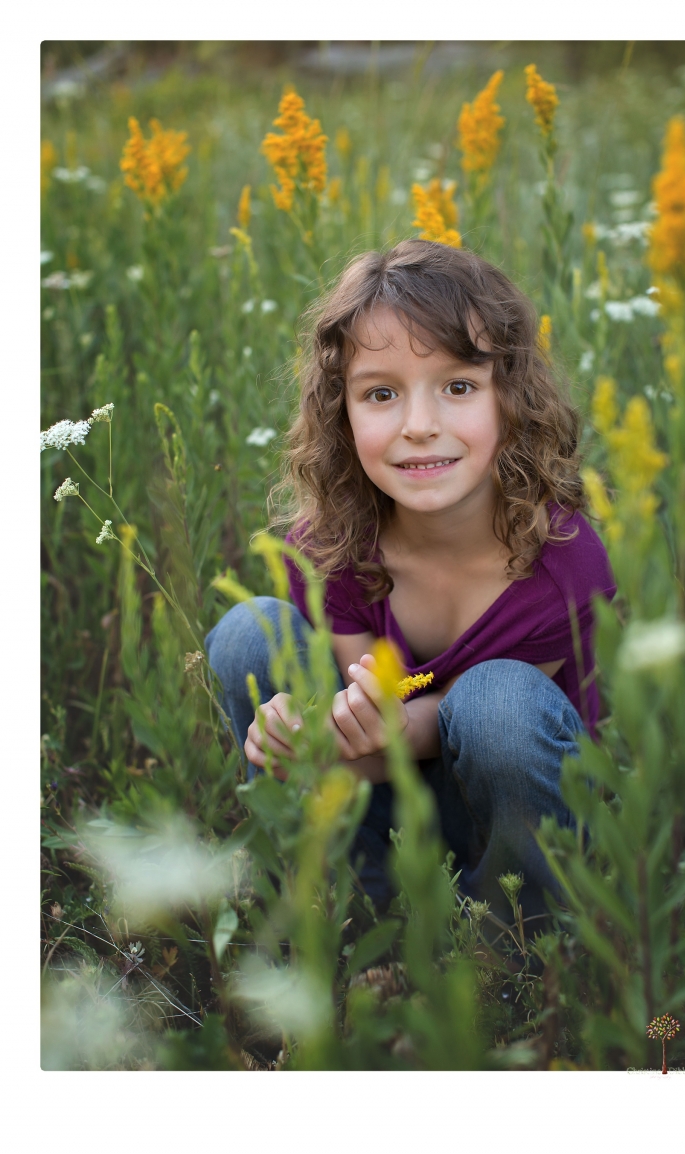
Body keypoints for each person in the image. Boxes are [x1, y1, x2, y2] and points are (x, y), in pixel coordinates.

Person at [206, 238, 615, 923]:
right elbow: (371, 746)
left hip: (506, 810)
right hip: (384, 799)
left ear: (510, 399)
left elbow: (470, 736)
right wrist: (303, 740)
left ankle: (525, 931)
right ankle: (339, 897)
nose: (420, 427)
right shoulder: (332, 546)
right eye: (381, 393)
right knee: (249, 632)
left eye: (458, 387)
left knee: (498, 701)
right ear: (342, 412)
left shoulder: (562, 559)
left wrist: (360, 732)